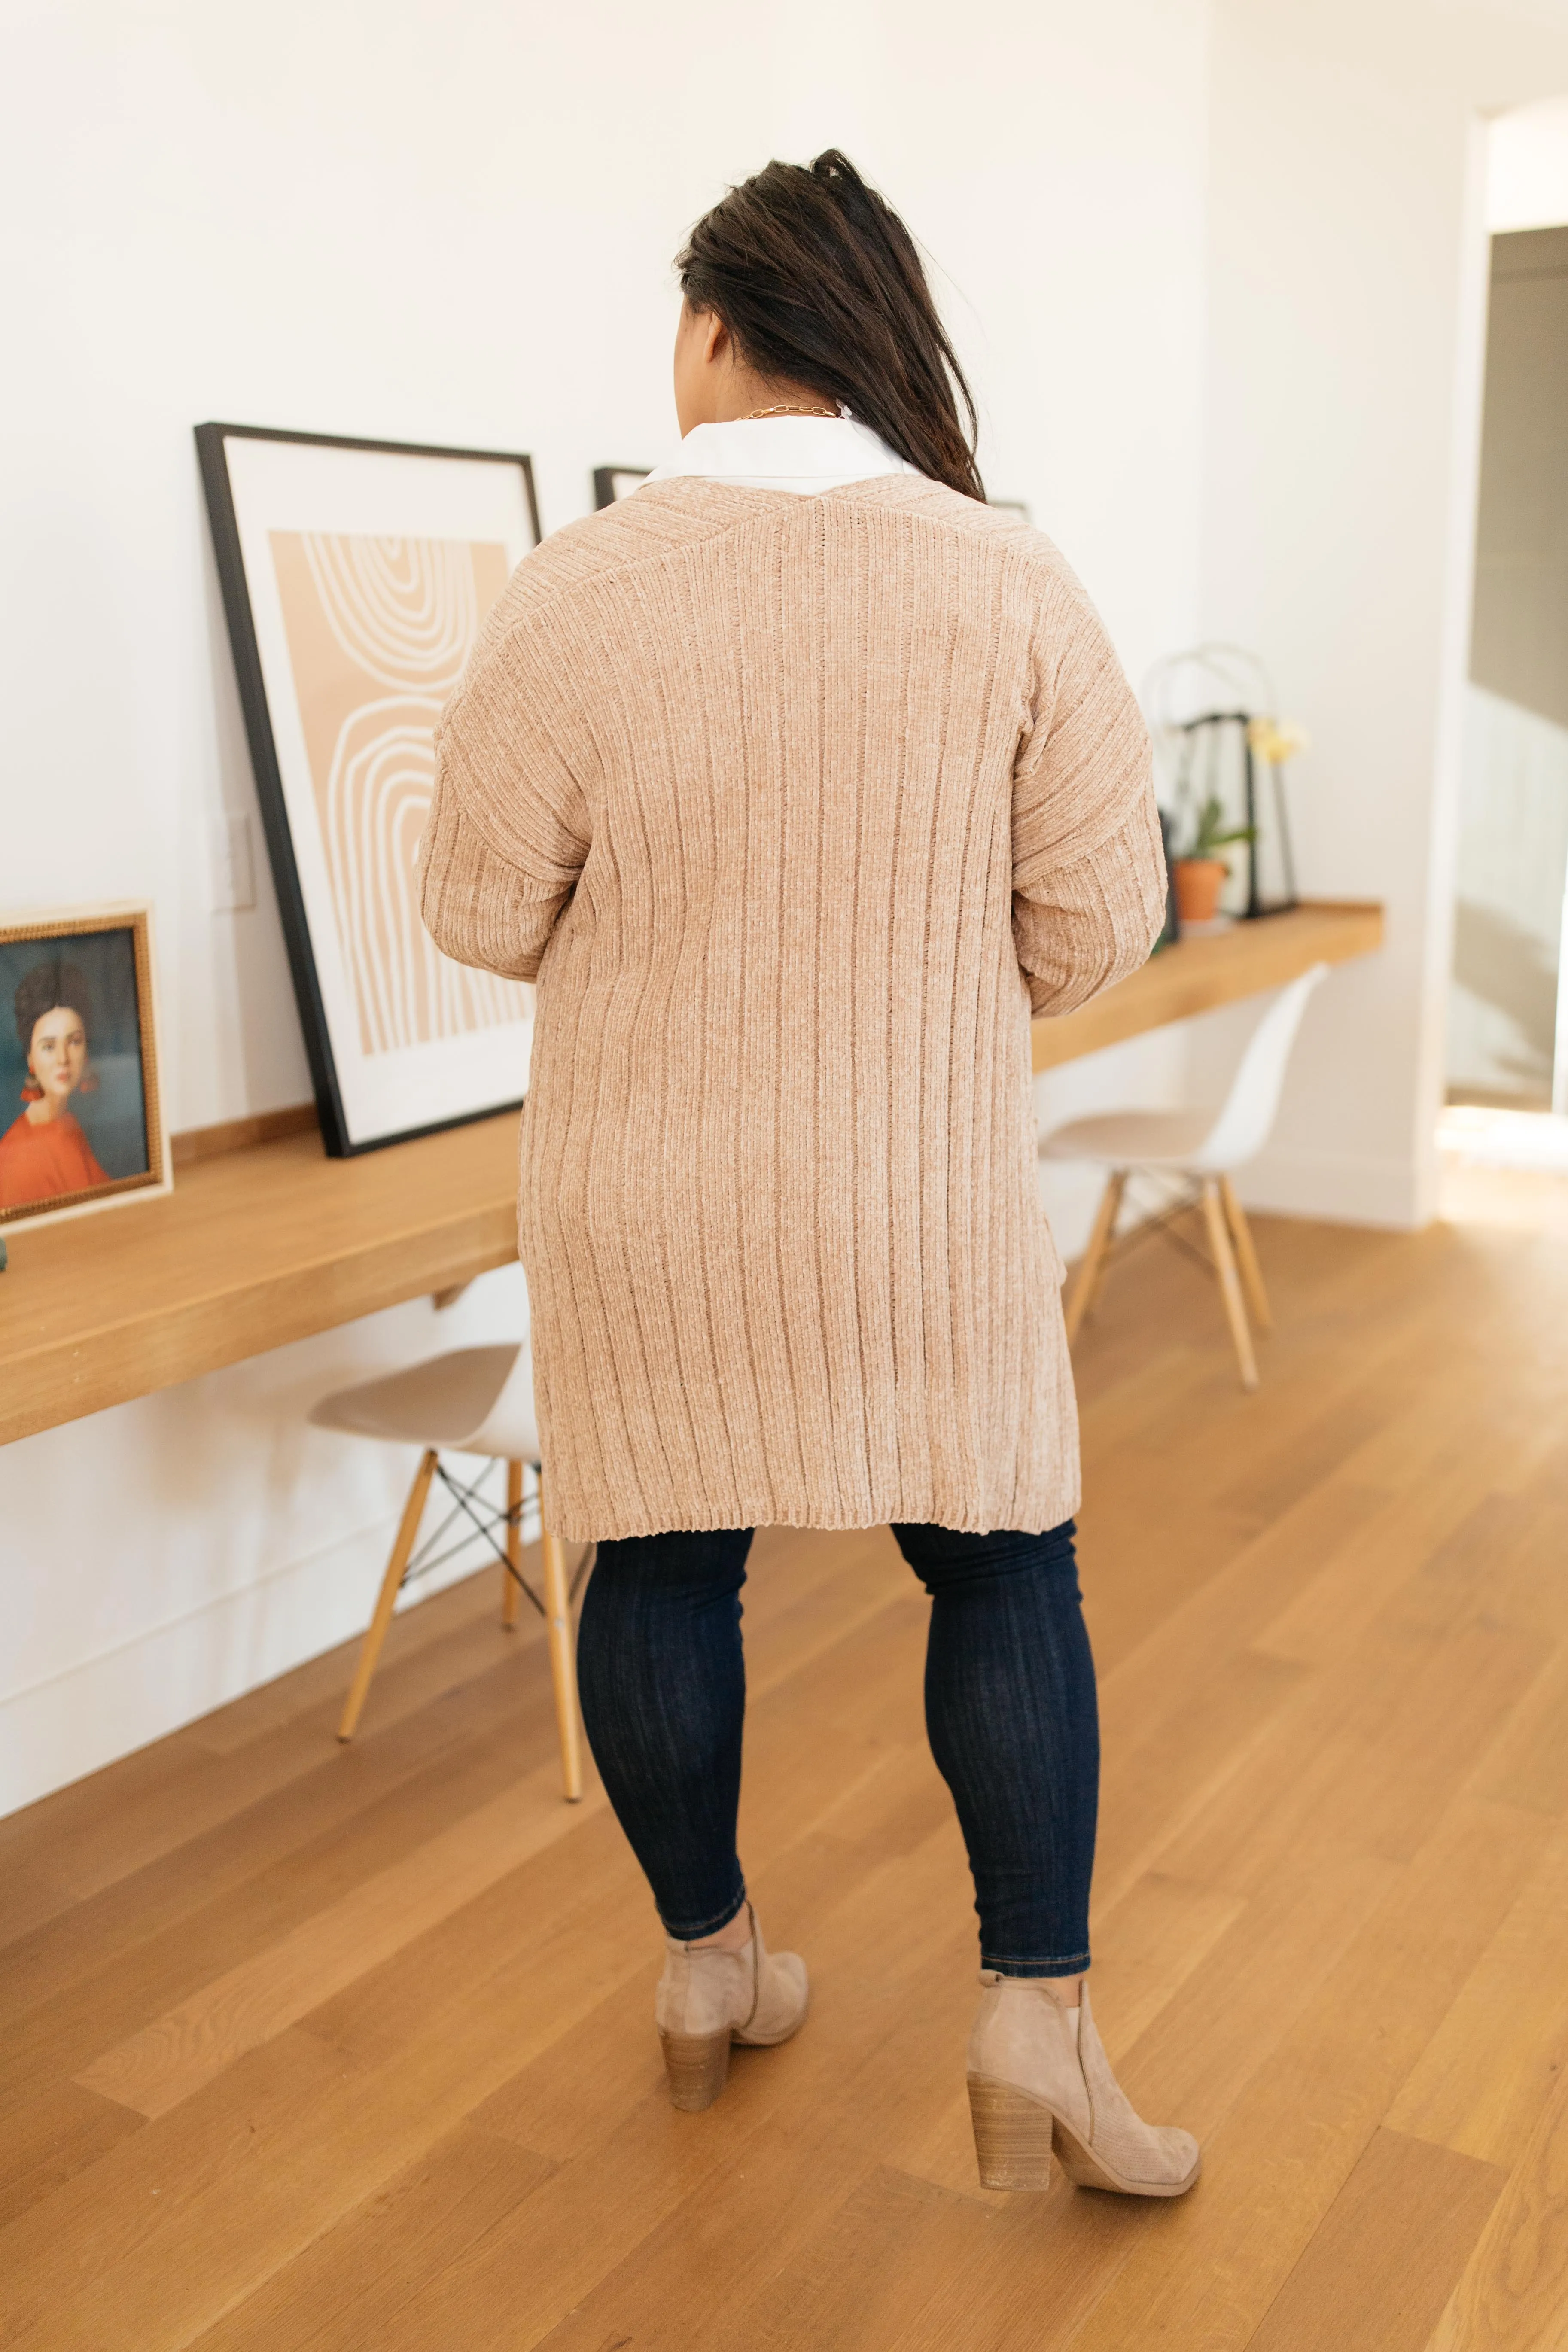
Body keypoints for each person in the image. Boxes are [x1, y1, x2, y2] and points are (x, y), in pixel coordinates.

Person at [420, 150, 1199, 2199]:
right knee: (1001, 1562)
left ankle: (707, 1965)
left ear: (708, 332)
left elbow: (479, 904)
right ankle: (1034, 2015)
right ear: (863, 335)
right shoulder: (1002, 574)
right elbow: (1091, 923)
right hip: (915, 1192)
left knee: (662, 1558)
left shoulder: (576, 584)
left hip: (643, 1201)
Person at [0, 961, 110, 1210]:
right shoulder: (14, 1157)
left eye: (74, 1042)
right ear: (31, 1058)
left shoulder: (68, 1123)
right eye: (49, 1046)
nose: (63, 1058)